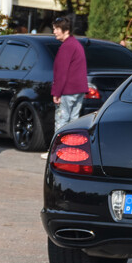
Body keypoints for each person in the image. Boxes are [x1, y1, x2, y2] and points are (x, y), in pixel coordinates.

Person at [41, 17, 88, 159]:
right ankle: (70, 152)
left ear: (66, 31)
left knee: (62, 121)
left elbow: (61, 72)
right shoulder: (76, 44)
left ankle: (55, 152)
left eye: (56, 29)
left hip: (68, 91)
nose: (54, 31)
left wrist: (56, 92)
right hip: (79, 89)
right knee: (73, 122)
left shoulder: (67, 46)